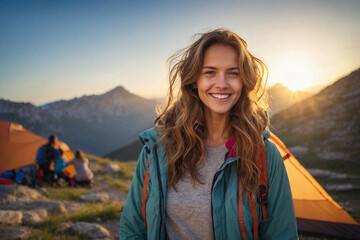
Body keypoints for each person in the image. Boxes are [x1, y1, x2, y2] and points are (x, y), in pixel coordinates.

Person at [119, 29, 298, 239]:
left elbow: (282, 235)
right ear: (194, 80)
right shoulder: (157, 149)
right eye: (210, 72)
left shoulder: (264, 154)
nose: (222, 83)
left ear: (244, 81)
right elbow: (133, 229)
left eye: (233, 73)